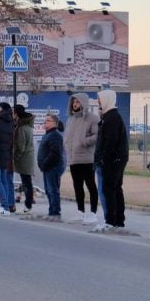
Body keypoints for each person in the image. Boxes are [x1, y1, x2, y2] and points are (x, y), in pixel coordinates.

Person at [93, 90, 128, 229]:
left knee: (110, 190)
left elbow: (110, 141)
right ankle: (118, 220)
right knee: (115, 189)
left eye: (100, 99)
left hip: (113, 160)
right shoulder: (108, 116)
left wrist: (104, 159)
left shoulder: (112, 117)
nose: (98, 102)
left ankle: (111, 221)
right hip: (115, 159)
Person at [63, 94, 99, 225]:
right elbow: (68, 136)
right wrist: (66, 144)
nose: (75, 104)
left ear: (83, 103)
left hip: (87, 159)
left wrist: (84, 141)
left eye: (78, 102)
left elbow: (97, 135)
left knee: (91, 186)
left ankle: (93, 213)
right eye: (74, 102)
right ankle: (80, 211)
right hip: (73, 158)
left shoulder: (92, 118)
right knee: (77, 186)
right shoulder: (70, 119)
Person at [37, 112, 65, 221]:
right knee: (48, 190)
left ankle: (55, 212)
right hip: (47, 168)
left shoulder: (55, 135)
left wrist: (45, 164)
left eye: (48, 120)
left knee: (53, 190)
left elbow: (55, 154)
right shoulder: (47, 134)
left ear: (55, 123)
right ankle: (51, 210)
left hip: (53, 167)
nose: (45, 122)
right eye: (44, 120)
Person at [12, 104, 36, 215]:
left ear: (17, 114)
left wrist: (15, 156)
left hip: (24, 158)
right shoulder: (29, 125)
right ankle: (28, 204)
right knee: (27, 182)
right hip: (28, 157)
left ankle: (28, 205)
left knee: (26, 183)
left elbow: (20, 146)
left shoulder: (21, 128)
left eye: (13, 113)